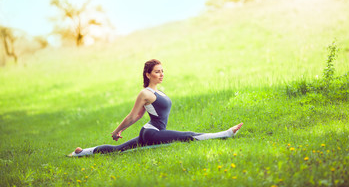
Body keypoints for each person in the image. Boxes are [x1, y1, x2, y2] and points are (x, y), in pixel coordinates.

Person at [68, 59, 243, 157]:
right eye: (157, 71)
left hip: (151, 131)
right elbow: (132, 116)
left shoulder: (159, 93)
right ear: (148, 74)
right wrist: (116, 131)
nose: (161, 74)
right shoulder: (145, 93)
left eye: (162, 71)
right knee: (185, 136)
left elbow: (139, 116)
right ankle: (225, 134)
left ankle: (82, 152)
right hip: (152, 132)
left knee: (117, 151)